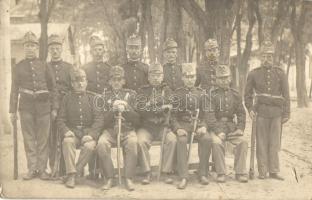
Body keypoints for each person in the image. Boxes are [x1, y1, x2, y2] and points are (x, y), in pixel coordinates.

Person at [9, 31, 58, 180]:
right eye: (27, 46)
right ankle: (32, 168)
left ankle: (42, 169)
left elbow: (53, 87)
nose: (30, 48)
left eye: (33, 46)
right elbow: (14, 89)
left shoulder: (44, 65)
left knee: (43, 139)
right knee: (29, 138)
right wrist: (12, 111)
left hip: (44, 107)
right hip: (26, 108)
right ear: (24, 48)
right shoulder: (18, 67)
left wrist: (54, 107)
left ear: (36, 48)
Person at [244, 40, 290, 180]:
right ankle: (262, 171)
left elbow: (286, 95)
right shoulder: (253, 74)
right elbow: (247, 95)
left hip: (276, 113)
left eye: (269, 56)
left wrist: (287, 113)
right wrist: (250, 109)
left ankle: (274, 170)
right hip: (261, 112)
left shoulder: (280, 73)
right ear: (260, 57)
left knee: (275, 142)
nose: (266, 59)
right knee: (262, 142)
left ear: (273, 57)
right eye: (263, 56)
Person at [57, 69, 104, 188]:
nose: (79, 84)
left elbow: (99, 120)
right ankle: (72, 175)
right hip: (73, 133)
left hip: (88, 133)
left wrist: (92, 135)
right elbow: (60, 119)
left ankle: (73, 173)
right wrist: (66, 131)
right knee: (67, 142)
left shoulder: (93, 98)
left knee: (89, 146)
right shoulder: (66, 98)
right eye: (76, 81)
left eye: (82, 80)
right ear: (72, 84)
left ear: (86, 82)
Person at [97, 66, 140, 191]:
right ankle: (110, 177)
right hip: (110, 130)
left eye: (119, 79)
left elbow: (137, 119)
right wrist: (112, 110)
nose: (116, 82)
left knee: (132, 143)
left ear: (123, 81)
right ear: (109, 81)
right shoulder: (104, 97)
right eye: (113, 79)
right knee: (101, 144)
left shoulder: (132, 95)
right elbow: (102, 121)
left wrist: (126, 108)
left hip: (127, 129)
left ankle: (128, 178)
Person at [171, 63, 212, 189]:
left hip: (198, 125)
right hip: (183, 125)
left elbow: (207, 113)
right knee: (181, 141)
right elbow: (172, 116)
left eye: (192, 76)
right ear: (182, 78)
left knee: (207, 139)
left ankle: (203, 173)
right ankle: (183, 176)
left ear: (195, 78)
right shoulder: (177, 94)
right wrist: (178, 129)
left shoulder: (201, 93)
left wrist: (204, 126)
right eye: (187, 76)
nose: (190, 79)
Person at [136, 62, 176, 185]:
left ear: (162, 76)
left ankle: (166, 171)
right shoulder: (142, 91)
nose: (155, 78)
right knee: (140, 141)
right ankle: (146, 172)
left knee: (172, 139)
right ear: (148, 77)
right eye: (153, 75)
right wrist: (160, 108)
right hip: (147, 127)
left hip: (162, 126)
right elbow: (141, 110)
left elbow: (171, 108)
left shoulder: (167, 90)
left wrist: (158, 108)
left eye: (158, 75)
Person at [210, 64, 248, 183]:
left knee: (243, 141)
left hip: (231, 127)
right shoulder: (212, 95)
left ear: (230, 78)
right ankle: (221, 173)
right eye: (221, 78)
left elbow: (241, 113)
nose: (224, 81)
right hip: (216, 127)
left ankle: (240, 172)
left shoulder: (236, 95)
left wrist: (240, 128)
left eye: (226, 77)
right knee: (216, 142)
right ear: (216, 80)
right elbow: (210, 116)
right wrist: (218, 131)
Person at [47, 34, 73, 175]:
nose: (55, 51)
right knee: (51, 137)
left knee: (65, 136)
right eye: (52, 49)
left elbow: (73, 87)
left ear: (61, 49)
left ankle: (65, 169)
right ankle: (53, 168)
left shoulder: (69, 67)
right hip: (50, 106)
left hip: (66, 106)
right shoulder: (45, 67)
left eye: (57, 48)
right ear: (49, 51)